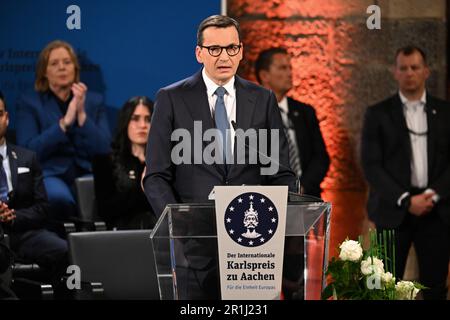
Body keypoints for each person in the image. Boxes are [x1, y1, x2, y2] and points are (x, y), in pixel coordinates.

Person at [143, 15, 296, 299]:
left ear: (241, 51)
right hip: (194, 245)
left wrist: (272, 218)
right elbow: (156, 176)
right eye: (214, 49)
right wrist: (178, 225)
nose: (223, 56)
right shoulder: (171, 98)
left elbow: (281, 172)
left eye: (231, 48)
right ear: (199, 53)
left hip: (251, 248)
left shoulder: (262, 99)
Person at [361, 46, 450, 300]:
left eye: (414, 67)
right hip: (392, 210)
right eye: (403, 68)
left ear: (426, 71)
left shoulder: (445, 112)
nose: (409, 73)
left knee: (435, 287)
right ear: (395, 72)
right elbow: (371, 165)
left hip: (437, 211)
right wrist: (406, 200)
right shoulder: (378, 114)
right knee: (386, 288)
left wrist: (433, 195)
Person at [16, 40, 111, 222]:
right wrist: (64, 124)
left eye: (67, 62)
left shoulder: (94, 101)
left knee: (103, 196)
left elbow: (105, 149)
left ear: (75, 68)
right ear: (44, 71)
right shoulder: (30, 103)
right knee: (59, 199)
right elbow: (27, 152)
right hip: (51, 173)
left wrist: (82, 115)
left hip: (87, 170)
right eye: (54, 63)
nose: (62, 68)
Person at [0, 91, 68, 288]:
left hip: (23, 233)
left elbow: (42, 208)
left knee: (65, 250)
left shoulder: (27, 158)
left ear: (7, 118)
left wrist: (13, 216)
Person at [255, 47, 329, 198]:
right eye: (283, 68)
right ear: (264, 75)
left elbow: (321, 157)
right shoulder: (249, 114)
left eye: (290, 68)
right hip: (267, 200)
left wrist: (302, 187)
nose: (290, 73)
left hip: (306, 198)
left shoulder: (305, 112)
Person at [93, 96, 157, 230]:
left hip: (158, 231)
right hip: (121, 235)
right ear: (125, 122)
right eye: (135, 118)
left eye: (148, 119)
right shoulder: (105, 162)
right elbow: (105, 211)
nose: (142, 125)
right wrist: (141, 191)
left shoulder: (163, 162)